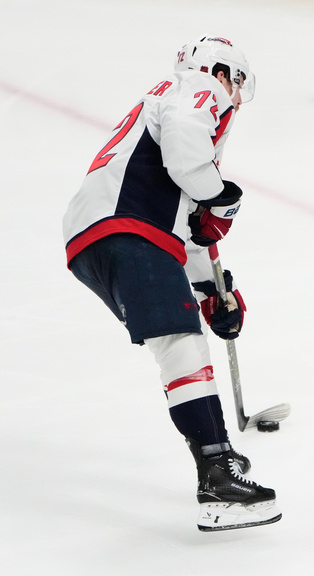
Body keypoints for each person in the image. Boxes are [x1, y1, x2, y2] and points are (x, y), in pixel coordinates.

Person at [62, 35, 280, 532]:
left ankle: (216, 458)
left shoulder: (166, 105)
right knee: (181, 345)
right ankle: (217, 476)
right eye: (238, 83)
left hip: (105, 237)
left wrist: (212, 292)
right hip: (126, 230)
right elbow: (189, 166)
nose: (237, 99)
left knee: (178, 338)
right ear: (223, 72)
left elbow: (188, 228)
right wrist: (221, 196)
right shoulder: (198, 90)